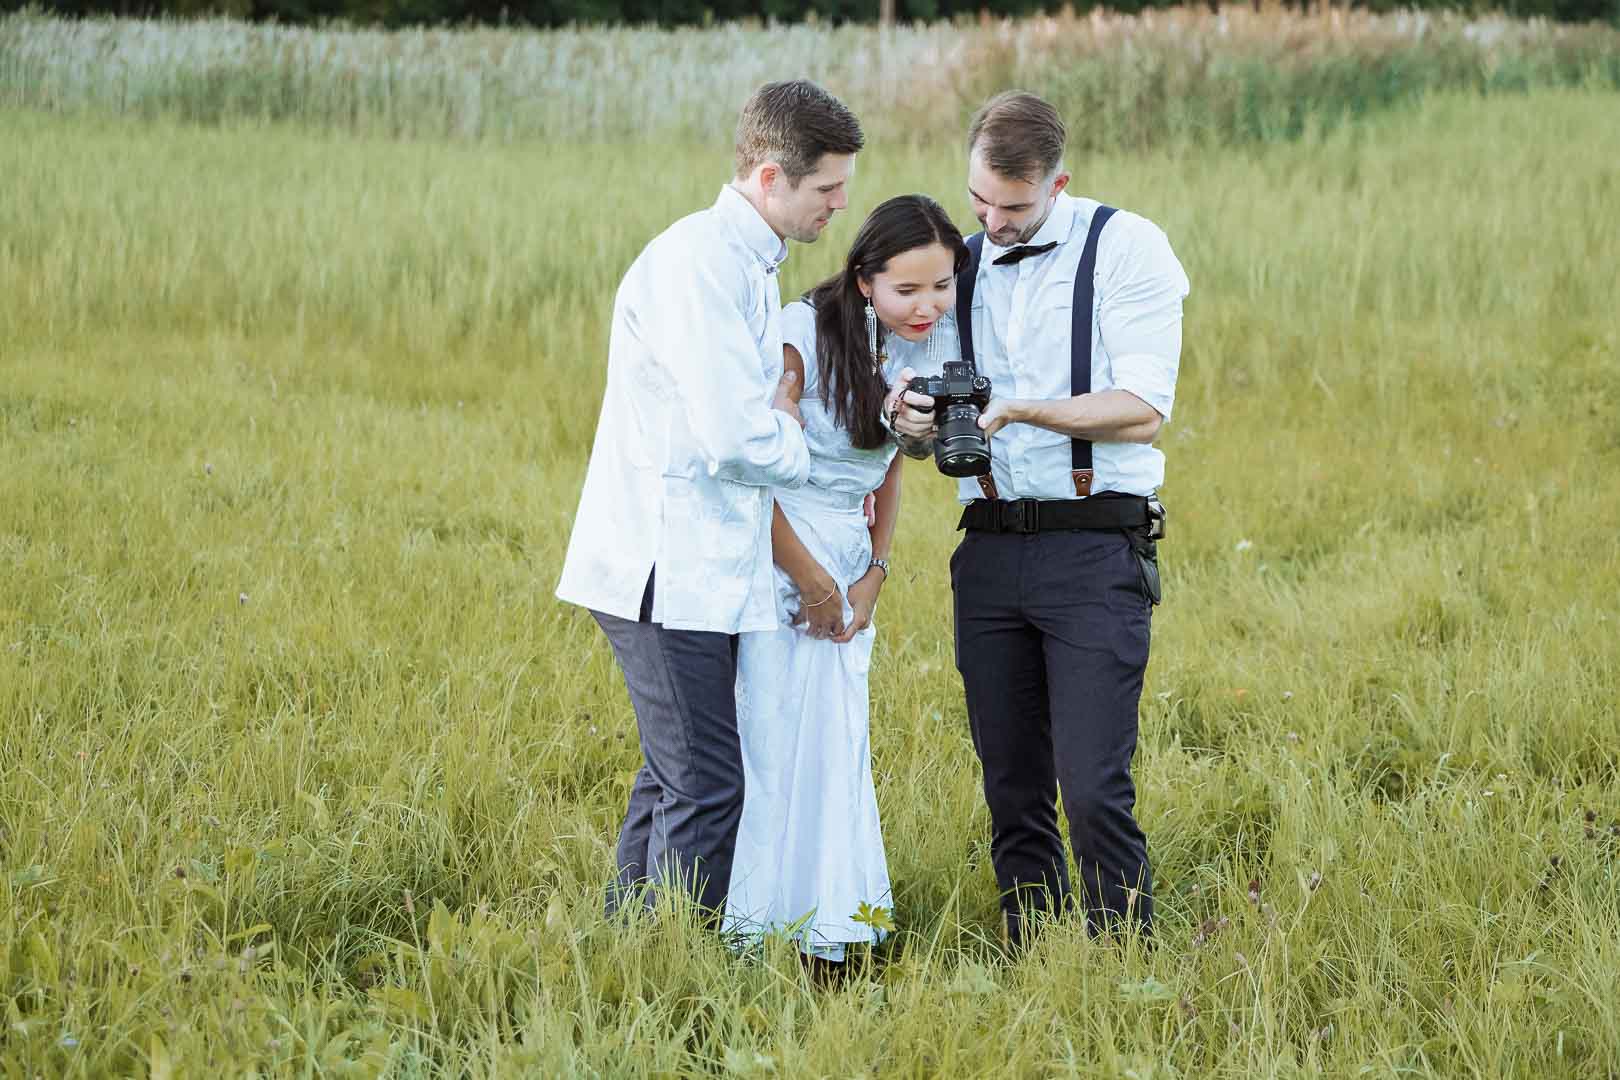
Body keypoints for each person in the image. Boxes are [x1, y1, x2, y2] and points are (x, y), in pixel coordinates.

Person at [556, 80, 864, 922]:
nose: (841, 205)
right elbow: (740, 439)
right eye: (827, 188)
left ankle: (629, 947)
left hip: (703, 563)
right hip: (663, 567)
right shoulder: (699, 265)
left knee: (674, 772)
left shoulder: (750, 266)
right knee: (708, 784)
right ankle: (673, 971)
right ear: (771, 178)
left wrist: (778, 417)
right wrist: (794, 429)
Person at [889, 91, 1189, 947]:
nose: (991, 222)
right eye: (979, 201)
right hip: (985, 551)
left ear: (1059, 182)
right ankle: (1029, 947)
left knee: (1093, 779)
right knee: (1010, 780)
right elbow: (919, 411)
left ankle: (1123, 955)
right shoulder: (959, 263)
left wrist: (1021, 411)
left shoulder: (1128, 248)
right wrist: (909, 427)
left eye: (1012, 207)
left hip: (1097, 545)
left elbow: (1143, 408)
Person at [724, 195, 968, 963]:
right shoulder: (801, 336)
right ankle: (750, 926)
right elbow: (754, 475)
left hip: (849, 550)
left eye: (942, 286)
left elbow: (889, 466)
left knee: (836, 740)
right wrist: (816, 581)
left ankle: (831, 922)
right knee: (768, 734)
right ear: (865, 280)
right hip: (779, 543)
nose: (927, 306)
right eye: (907, 290)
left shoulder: (927, 344)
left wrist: (873, 573)